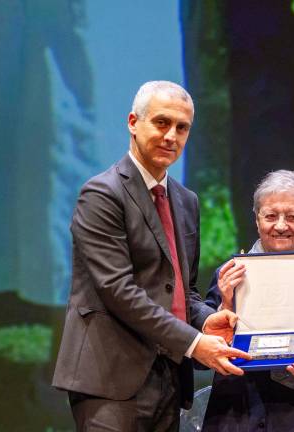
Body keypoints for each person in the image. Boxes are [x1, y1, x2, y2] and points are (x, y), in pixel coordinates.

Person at [52, 80, 251, 430]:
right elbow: (118, 291)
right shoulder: (101, 194)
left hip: (170, 379)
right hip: (110, 381)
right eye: (161, 122)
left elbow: (180, 290)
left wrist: (206, 320)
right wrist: (195, 342)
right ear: (133, 122)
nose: (171, 135)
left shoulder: (186, 201)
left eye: (182, 127)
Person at [201, 170, 294, 431]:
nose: (281, 226)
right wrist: (225, 305)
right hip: (235, 416)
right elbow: (200, 352)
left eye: (292, 216)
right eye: (271, 216)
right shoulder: (229, 273)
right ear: (257, 218)